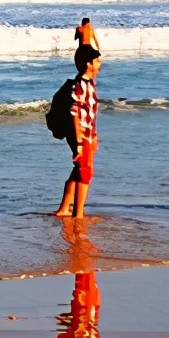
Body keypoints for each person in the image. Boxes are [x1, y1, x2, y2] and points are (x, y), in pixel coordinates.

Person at [54, 46, 102, 218]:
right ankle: (78, 214)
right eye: (97, 61)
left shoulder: (88, 83)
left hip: (87, 134)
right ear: (88, 64)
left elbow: (89, 114)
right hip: (80, 135)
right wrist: (80, 144)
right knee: (85, 172)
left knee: (79, 170)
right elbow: (74, 114)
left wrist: (94, 136)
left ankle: (64, 208)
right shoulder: (80, 86)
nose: (99, 64)